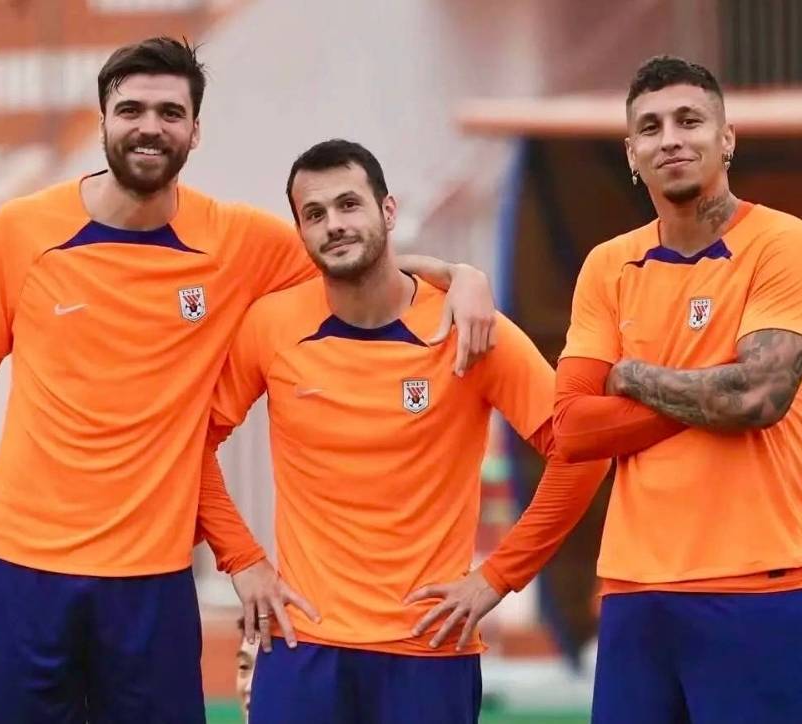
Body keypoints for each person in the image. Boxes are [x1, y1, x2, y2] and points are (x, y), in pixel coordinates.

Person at [0, 38, 496, 724]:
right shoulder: (22, 230)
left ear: (194, 131)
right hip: (23, 570)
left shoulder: (236, 242)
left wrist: (459, 275)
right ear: (103, 120)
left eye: (170, 112)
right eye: (131, 109)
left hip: (153, 582)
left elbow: (355, 261)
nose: (149, 127)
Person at [196, 139, 610, 724]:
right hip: (302, 643)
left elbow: (583, 451)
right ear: (301, 232)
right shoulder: (271, 325)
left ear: (387, 210)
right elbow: (192, 442)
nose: (334, 224)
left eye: (349, 204)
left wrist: (498, 577)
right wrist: (242, 560)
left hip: (429, 648)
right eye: (314, 214)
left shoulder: (468, 326)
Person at [553, 55, 802, 723]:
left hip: (758, 584)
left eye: (689, 121)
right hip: (635, 592)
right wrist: (713, 385)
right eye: (650, 127)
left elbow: (757, 398)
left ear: (726, 138)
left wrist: (630, 375)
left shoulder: (785, 245)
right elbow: (573, 428)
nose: (670, 140)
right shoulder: (607, 265)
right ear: (631, 153)